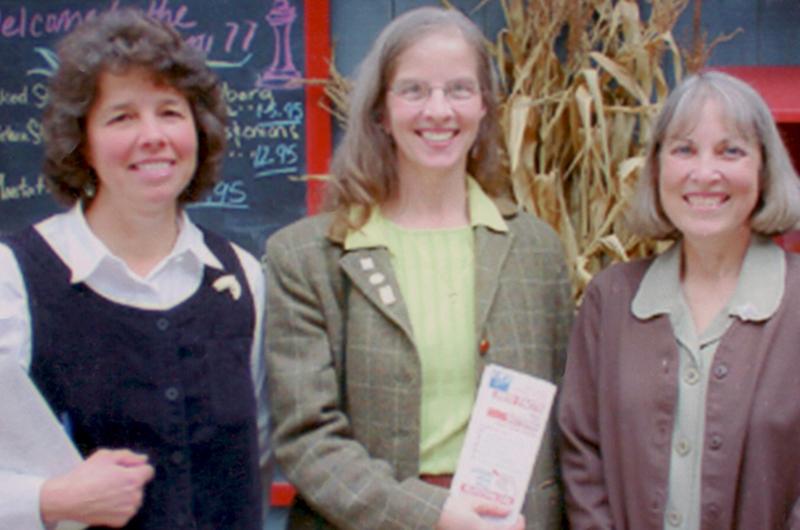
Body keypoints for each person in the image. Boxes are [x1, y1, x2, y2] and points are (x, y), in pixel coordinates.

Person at [264, 6, 572, 530]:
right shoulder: (306, 257)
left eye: (458, 89)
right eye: (413, 90)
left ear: (483, 108)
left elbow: (564, 422)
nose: (438, 110)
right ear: (381, 112)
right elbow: (307, 439)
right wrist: (432, 515)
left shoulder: (536, 250)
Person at [0, 8, 271, 529]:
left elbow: (255, 455)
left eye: (170, 112)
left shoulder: (240, 279)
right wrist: (49, 499)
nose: (152, 136)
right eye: (121, 116)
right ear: (83, 141)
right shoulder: (18, 279)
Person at [558, 70, 800, 530]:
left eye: (731, 151)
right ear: (656, 168)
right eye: (684, 149)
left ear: (765, 169)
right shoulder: (610, 301)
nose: (704, 173)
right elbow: (581, 454)